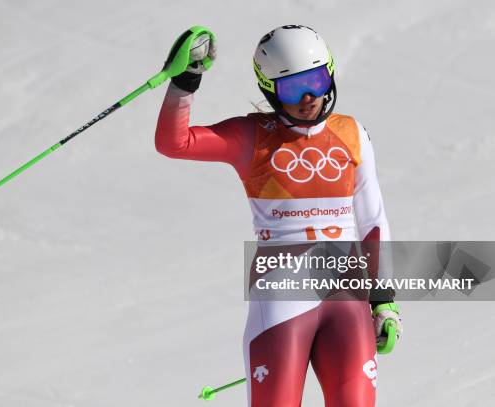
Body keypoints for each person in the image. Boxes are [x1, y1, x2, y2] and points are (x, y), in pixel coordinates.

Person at [155, 25, 403, 406]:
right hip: (282, 297)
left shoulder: (352, 133)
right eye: (292, 88)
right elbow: (175, 142)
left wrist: (383, 300)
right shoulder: (251, 136)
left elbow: (372, 220)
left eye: (317, 81)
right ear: (269, 89)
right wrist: (185, 82)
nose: (308, 98)